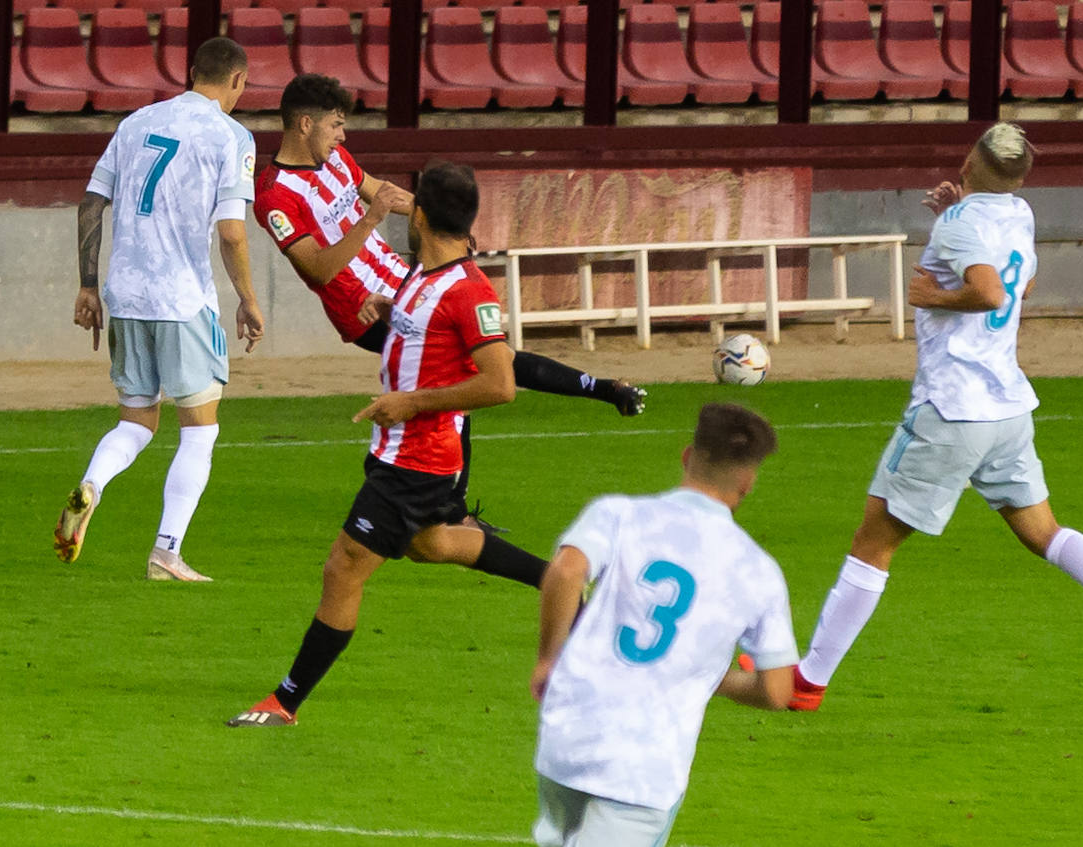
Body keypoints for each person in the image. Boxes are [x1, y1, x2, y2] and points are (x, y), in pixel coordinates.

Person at [788, 122, 1083, 712]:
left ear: (972, 159)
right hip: (1008, 406)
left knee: (873, 541)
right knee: (1045, 534)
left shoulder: (959, 224)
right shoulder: (1019, 213)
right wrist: (961, 221)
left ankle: (807, 683)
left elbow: (989, 292)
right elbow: (1021, 283)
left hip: (951, 409)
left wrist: (934, 296)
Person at [228, 161, 552, 728]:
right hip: (397, 449)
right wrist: (389, 310)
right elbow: (426, 338)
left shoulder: (467, 289)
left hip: (417, 458)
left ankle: (285, 700)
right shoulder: (422, 276)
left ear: (419, 214)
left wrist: (412, 402)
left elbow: (500, 384)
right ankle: (559, 580)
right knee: (429, 546)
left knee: (343, 569)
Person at [251, 75, 645, 521]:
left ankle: (598, 393)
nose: (342, 136)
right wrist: (370, 219)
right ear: (305, 124)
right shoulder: (274, 196)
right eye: (335, 126)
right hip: (365, 311)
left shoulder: (337, 159)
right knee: (471, 374)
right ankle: (457, 509)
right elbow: (318, 269)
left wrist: (445, 216)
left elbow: (382, 191)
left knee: (488, 362)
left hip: (408, 280)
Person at [530, 403, 796, 847]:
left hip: (569, 734)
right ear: (748, 483)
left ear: (688, 456)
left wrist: (547, 659)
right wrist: (713, 678)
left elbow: (565, 571)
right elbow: (777, 691)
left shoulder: (617, 514)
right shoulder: (757, 570)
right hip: (646, 765)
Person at [54, 37, 265, 583]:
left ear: (192, 71)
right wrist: (246, 296)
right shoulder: (231, 135)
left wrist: (87, 286)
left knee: (137, 419)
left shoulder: (136, 122)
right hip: (181, 299)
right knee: (200, 430)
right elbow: (232, 232)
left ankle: (92, 485)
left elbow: (91, 202)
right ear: (239, 81)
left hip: (125, 293)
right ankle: (166, 553)